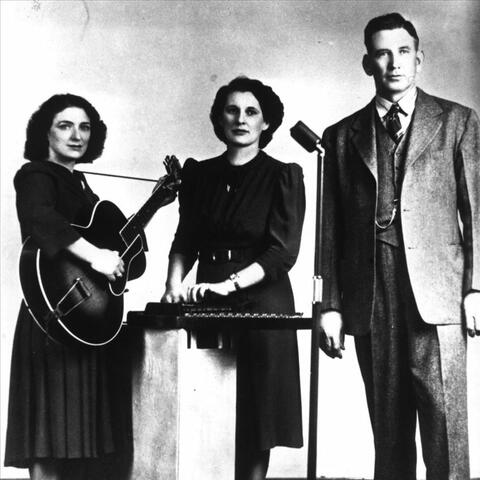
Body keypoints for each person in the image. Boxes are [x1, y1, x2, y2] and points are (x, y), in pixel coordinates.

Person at [319, 12, 480, 480]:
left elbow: (478, 212)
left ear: (420, 59)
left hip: (440, 297)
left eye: (404, 52)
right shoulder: (342, 137)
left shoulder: (458, 122)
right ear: (367, 63)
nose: (394, 63)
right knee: (388, 438)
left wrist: (476, 289)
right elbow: (330, 232)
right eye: (382, 54)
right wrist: (329, 305)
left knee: (446, 432)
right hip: (372, 296)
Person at [161, 76, 305, 480]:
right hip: (207, 296)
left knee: (258, 414)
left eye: (251, 111)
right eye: (232, 110)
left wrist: (230, 285)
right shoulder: (199, 175)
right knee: (211, 402)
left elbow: (283, 252)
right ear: (218, 118)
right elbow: (185, 237)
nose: (241, 119)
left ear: (266, 123)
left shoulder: (284, 175)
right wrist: (173, 286)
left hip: (263, 298)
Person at [4, 94, 132, 480]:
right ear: (45, 132)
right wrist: (97, 257)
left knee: (80, 438)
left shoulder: (80, 182)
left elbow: (97, 233)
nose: (77, 135)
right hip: (52, 317)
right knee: (50, 436)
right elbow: (41, 219)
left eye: (85, 127)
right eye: (65, 125)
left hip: (84, 319)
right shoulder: (35, 175)